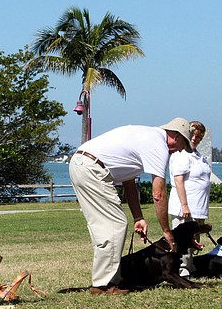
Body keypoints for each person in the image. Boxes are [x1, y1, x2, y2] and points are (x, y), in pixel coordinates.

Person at [69, 118, 193, 295]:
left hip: (81, 163)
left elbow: (129, 182)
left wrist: (138, 217)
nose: (180, 149)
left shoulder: (144, 136)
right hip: (93, 169)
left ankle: (106, 279)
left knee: (104, 227)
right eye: (183, 143)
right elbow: (159, 194)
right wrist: (167, 231)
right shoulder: (158, 146)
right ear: (174, 134)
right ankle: (104, 284)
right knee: (115, 225)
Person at [168, 121, 211, 276]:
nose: (195, 138)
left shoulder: (198, 156)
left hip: (198, 207)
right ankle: (181, 269)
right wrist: (184, 205)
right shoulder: (181, 154)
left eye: (199, 136)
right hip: (185, 207)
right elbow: (179, 180)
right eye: (193, 134)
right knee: (182, 239)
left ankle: (190, 267)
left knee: (193, 239)